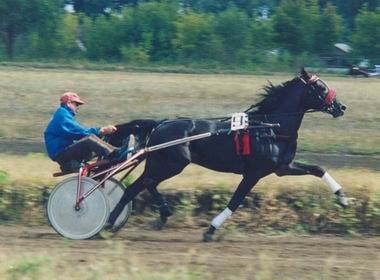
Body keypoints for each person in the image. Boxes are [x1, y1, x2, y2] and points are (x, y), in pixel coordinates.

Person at [44, 92, 119, 172]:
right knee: (89, 140)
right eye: (76, 104)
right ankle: (116, 153)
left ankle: (106, 164)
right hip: (61, 154)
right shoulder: (62, 114)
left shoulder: (63, 115)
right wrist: (101, 130)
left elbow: (77, 134)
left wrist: (101, 134)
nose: (78, 107)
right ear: (69, 103)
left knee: (97, 140)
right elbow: (78, 132)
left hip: (63, 153)